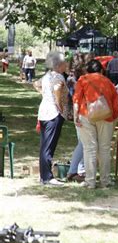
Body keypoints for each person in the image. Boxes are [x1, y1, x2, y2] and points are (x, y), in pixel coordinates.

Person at [73, 60, 118, 189]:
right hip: (106, 116)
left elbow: (76, 99)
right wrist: (114, 116)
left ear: (87, 70)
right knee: (104, 149)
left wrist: (76, 115)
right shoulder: (108, 82)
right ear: (101, 70)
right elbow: (115, 102)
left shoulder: (82, 80)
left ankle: (90, 181)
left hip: (86, 114)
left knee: (89, 149)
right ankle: (105, 180)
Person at [37, 51, 70, 186]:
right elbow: (57, 90)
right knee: (49, 146)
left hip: (44, 111)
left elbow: (36, 84)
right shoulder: (58, 77)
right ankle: (47, 177)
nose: (67, 65)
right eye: (65, 62)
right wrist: (60, 106)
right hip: (53, 113)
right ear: (60, 64)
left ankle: (43, 175)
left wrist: (45, 95)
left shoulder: (47, 76)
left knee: (45, 145)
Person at [66, 53, 87, 182]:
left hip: (76, 113)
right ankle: (77, 170)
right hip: (79, 113)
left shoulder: (71, 78)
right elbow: (77, 99)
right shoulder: (78, 80)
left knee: (82, 142)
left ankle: (75, 170)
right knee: (83, 143)